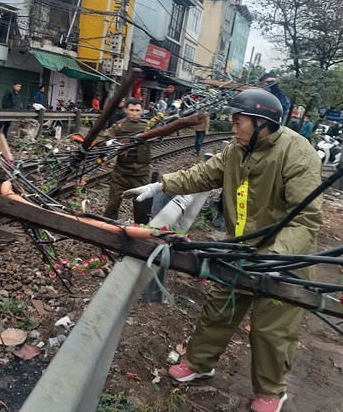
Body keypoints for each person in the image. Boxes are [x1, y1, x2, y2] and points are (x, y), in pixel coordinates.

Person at [124, 89, 323, 412]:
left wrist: (276, 258)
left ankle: (272, 390)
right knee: (220, 306)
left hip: (285, 259)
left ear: (262, 123)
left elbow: (306, 218)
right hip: (241, 250)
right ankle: (200, 362)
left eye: (238, 122)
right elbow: (203, 174)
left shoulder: (297, 154)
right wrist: (163, 185)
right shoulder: (237, 150)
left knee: (272, 328)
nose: (233, 128)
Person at [101, 98, 151, 224]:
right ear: (126, 110)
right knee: (112, 205)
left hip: (141, 174)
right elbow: (103, 138)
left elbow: (164, 133)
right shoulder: (119, 126)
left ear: (142, 111)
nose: (134, 113)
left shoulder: (149, 126)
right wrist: (111, 142)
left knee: (142, 209)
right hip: (120, 174)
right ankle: (106, 230)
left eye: (137, 110)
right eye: (132, 110)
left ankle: (140, 234)